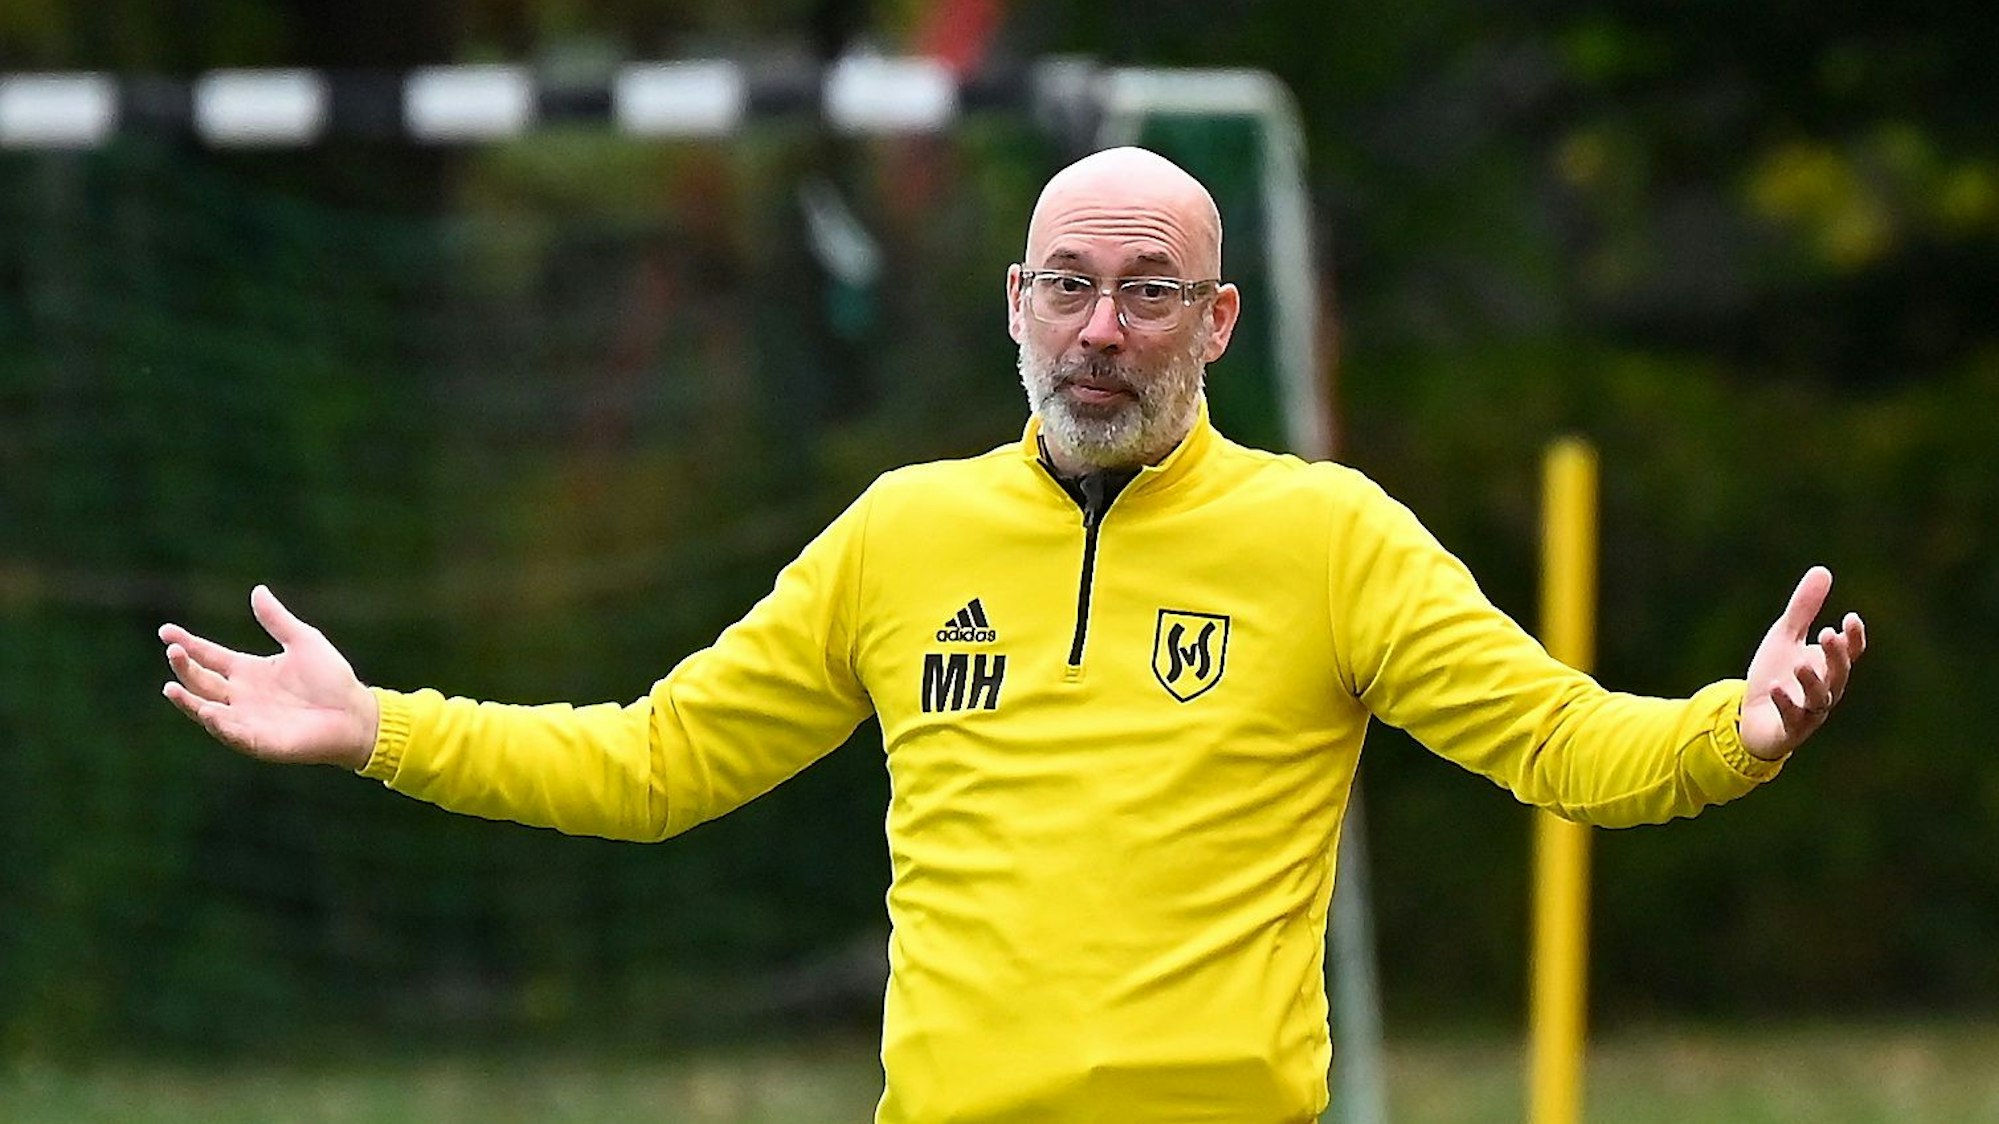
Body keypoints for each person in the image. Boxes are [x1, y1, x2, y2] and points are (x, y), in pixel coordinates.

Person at [158, 146, 1867, 1123]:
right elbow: (657, 762)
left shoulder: (1329, 537)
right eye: (1066, 284)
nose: (1099, 331)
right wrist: (380, 722)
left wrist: (1738, 730)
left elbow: (1568, 746)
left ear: (1218, 319)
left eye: (1143, 292)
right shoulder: (904, 534)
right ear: (1013, 302)